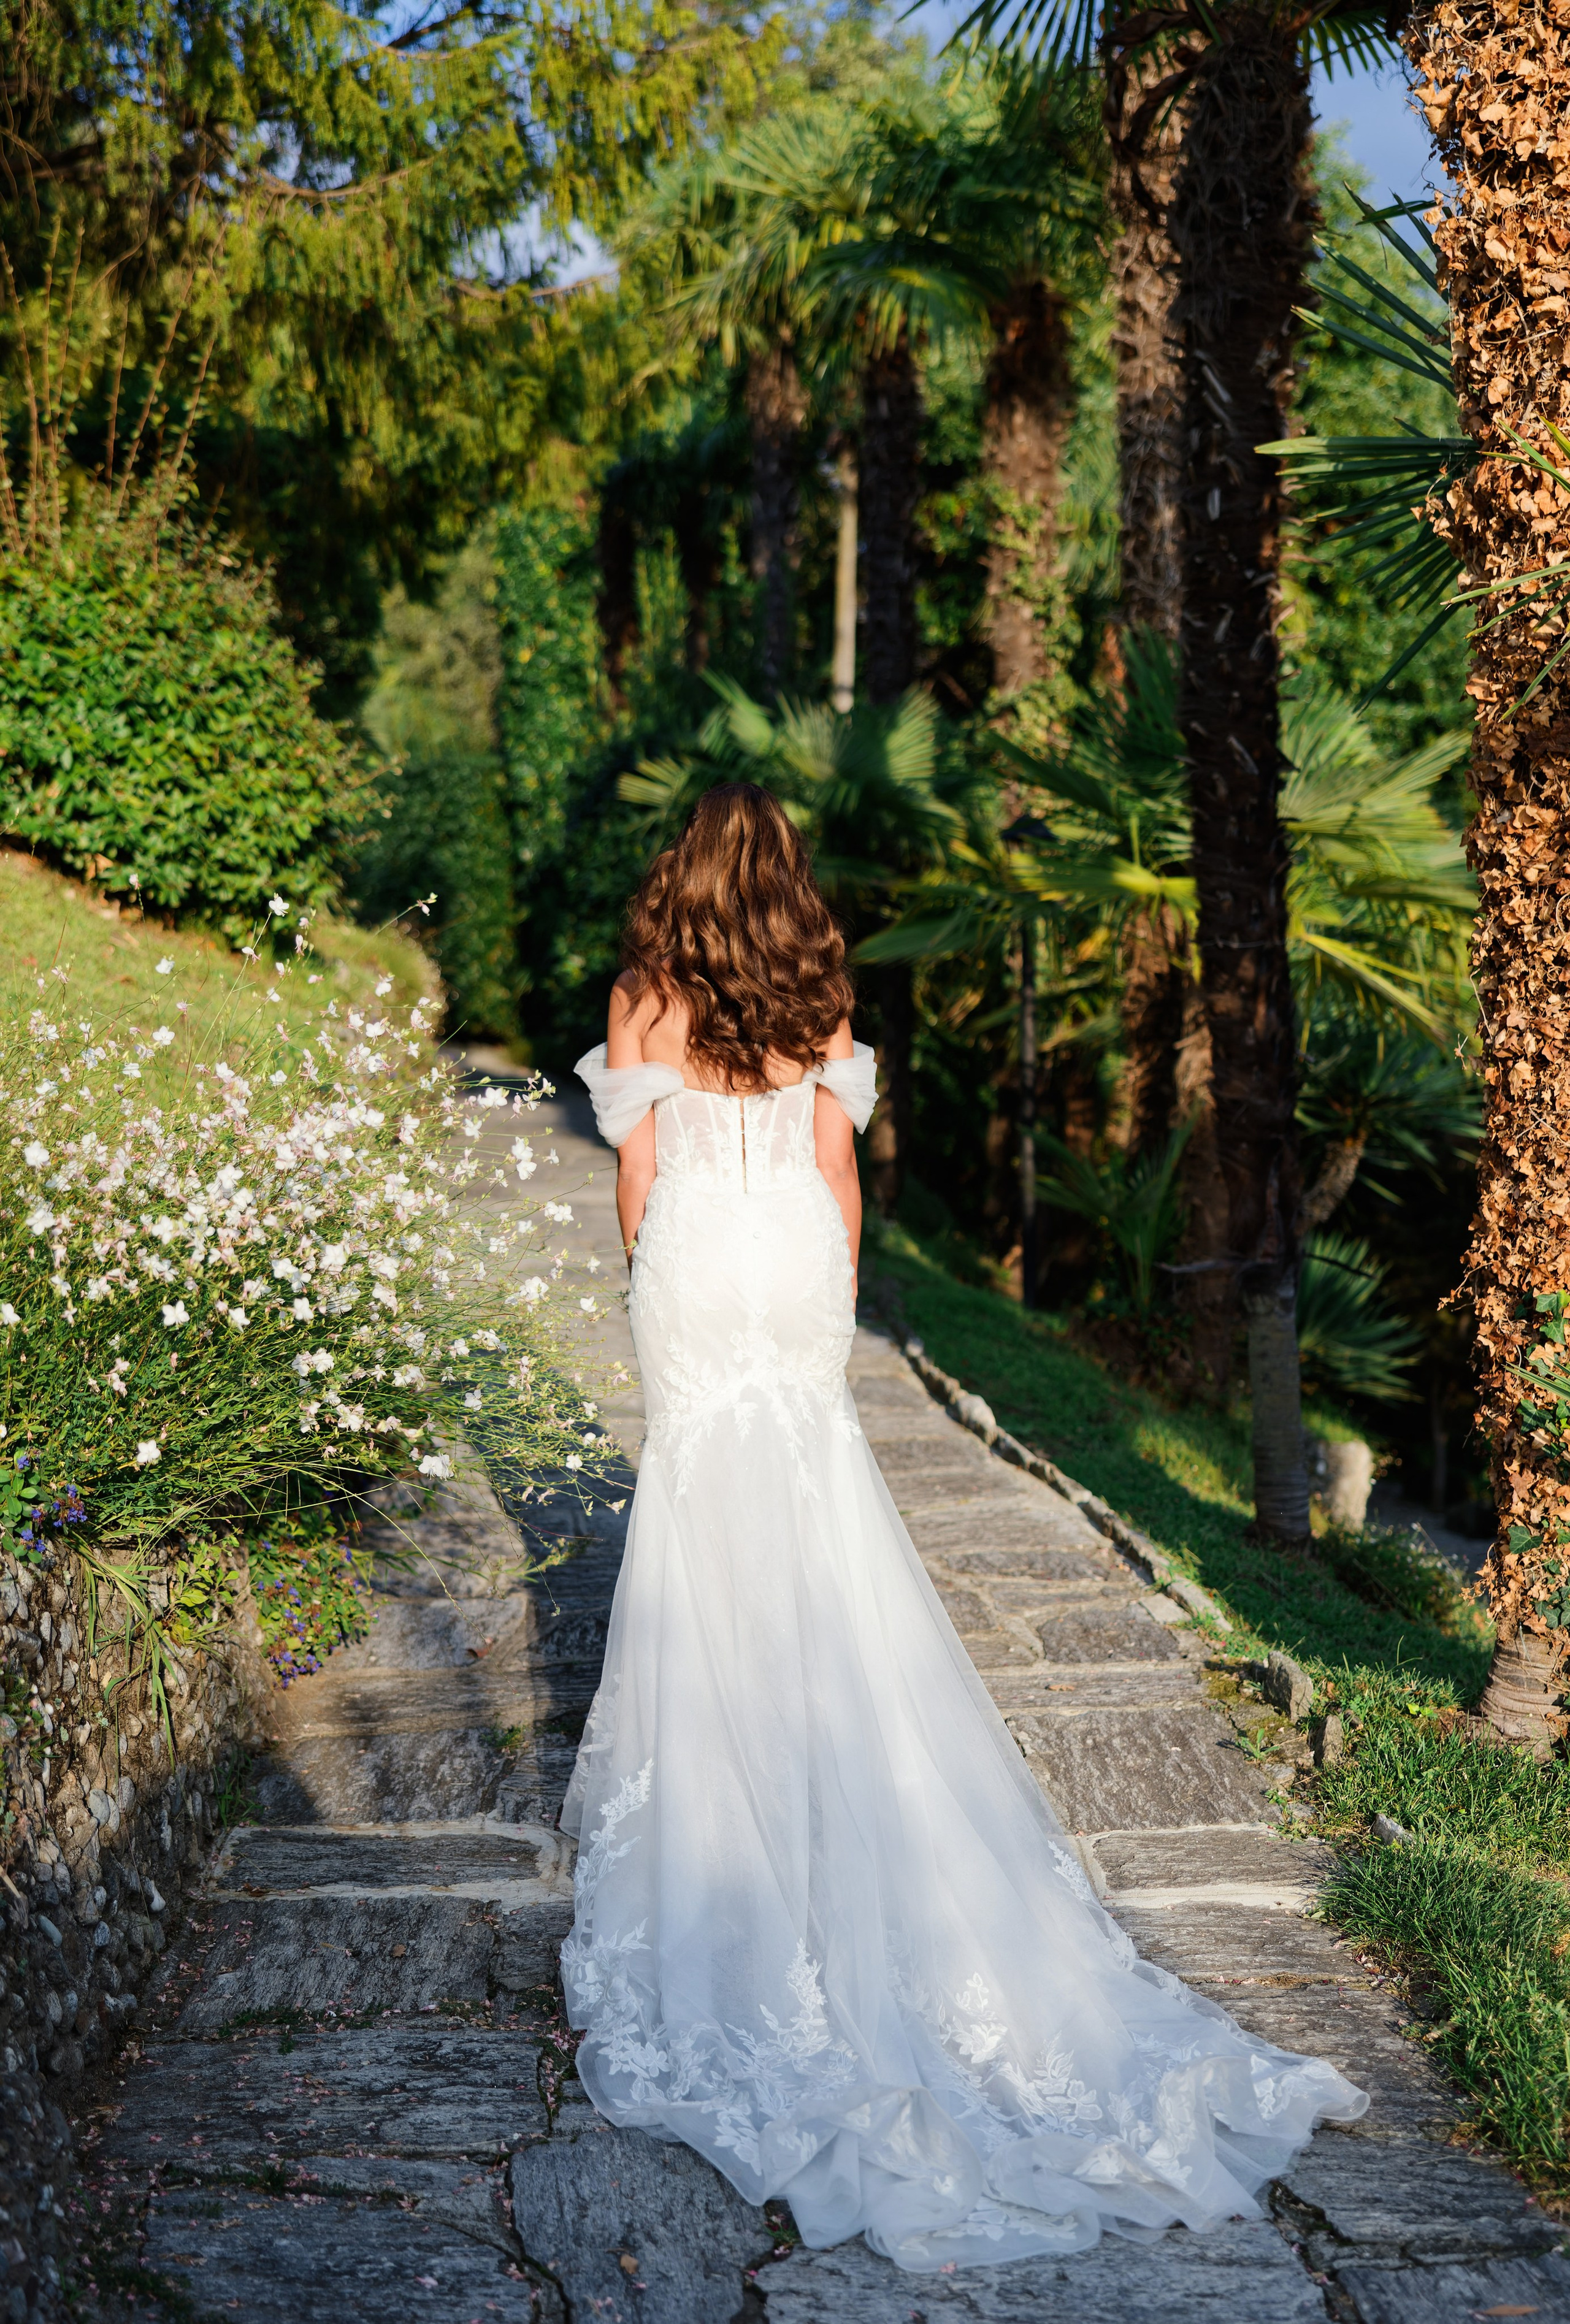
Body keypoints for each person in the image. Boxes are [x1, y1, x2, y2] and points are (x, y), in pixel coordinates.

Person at [563, 782, 1365, 2274]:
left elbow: (635, 1177)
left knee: (698, 1499)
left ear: (678, 873)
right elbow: (837, 1172)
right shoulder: (815, 985)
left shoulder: (641, 993)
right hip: (794, 1260)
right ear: (788, 880)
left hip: (696, 1261)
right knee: (815, 1491)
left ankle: (731, 1795)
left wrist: (658, 1284)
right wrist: (831, 1305)